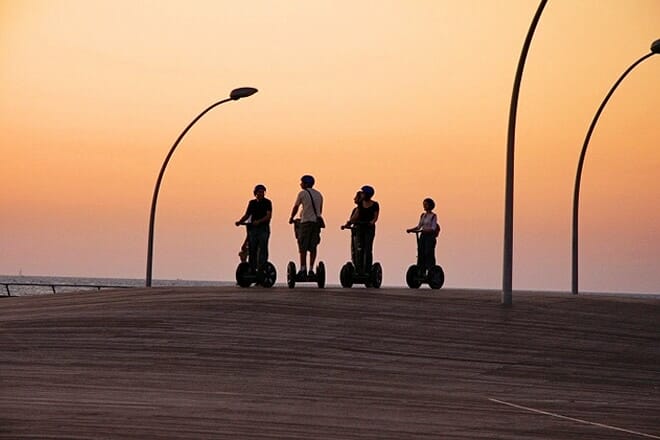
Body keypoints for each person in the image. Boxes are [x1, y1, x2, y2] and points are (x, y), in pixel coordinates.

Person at [289, 175, 323, 277]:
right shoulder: (319, 195)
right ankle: (311, 270)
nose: (301, 184)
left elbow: (296, 207)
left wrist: (291, 217)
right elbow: (320, 211)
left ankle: (303, 269)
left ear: (306, 183)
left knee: (303, 246)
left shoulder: (302, 193)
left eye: (302, 182)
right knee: (313, 247)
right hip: (316, 224)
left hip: (305, 223)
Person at [235, 184, 272, 273]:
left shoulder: (267, 202)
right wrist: (240, 221)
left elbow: (268, 216)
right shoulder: (252, 203)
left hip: (263, 228)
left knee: (262, 248)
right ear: (255, 193)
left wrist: (259, 221)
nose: (261, 194)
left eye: (262, 192)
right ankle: (252, 268)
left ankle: (261, 267)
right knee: (252, 248)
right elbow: (247, 215)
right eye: (259, 192)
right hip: (253, 229)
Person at [349, 185, 379, 273]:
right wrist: (349, 223)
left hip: (369, 228)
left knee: (368, 248)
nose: (361, 194)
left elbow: (375, 217)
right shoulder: (360, 204)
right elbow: (356, 215)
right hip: (360, 227)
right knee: (359, 247)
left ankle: (367, 269)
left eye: (363, 193)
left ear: (367, 194)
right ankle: (359, 268)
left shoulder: (375, 205)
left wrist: (371, 222)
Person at [406, 198, 439, 274]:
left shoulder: (433, 216)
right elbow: (419, 227)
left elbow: (433, 228)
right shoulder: (423, 215)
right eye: (424, 204)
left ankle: (430, 268)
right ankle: (421, 268)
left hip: (430, 237)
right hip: (423, 236)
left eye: (426, 204)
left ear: (430, 205)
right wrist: (410, 230)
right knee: (420, 252)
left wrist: (426, 231)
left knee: (428, 252)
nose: (424, 206)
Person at [341, 191, 362, 265]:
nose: (354, 199)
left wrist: (346, 225)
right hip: (357, 231)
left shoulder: (358, 209)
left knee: (356, 249)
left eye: (356, 197)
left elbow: (352, 220)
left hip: (358, 232)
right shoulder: (357, 209)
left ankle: (358, 264)